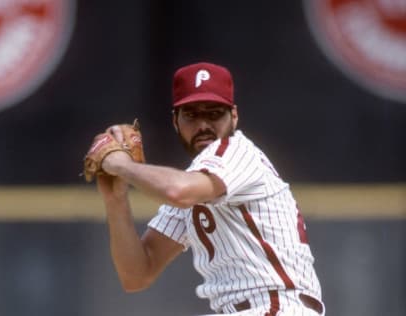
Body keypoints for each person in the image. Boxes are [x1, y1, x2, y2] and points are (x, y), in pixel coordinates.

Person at [95, 62, 325, 315]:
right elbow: (137, 274)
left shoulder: (235, 153)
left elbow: (177, 192)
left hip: (277, 307)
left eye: (214, 113)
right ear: (175, 120)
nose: (203, 125)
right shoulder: (196, 180)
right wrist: (115, 198)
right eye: (191, 115)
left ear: (234, 116)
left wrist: (123, 167)